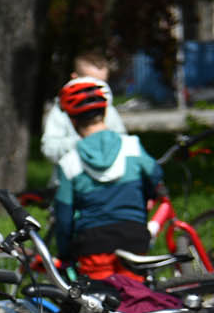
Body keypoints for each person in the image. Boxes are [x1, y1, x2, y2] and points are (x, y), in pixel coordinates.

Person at [49, 81, 162, 280]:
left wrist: (64, 253)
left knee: (100, 305)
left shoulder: (69, 163)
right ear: (105, 114)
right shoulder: (132, 146)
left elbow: (64, 218)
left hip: (93, 245)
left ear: (73, 121)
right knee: (135, 300)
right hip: (134, 237)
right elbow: (156, 175)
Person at [40, 52, 127, 168]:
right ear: (75, 78)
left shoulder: (108, 108)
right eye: (92, 81)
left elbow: (122, 139)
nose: (97, 89)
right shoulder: (62, 110)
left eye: (103, 83)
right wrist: (84, 143)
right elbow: (49, 149)